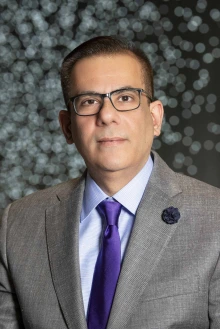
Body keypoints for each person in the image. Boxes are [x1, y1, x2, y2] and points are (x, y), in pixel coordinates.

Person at [0, 36, 220, 329]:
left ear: (155, 118)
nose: (107, 115)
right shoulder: (17, 224)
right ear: (67, 126)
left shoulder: (214, 217)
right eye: (89, 101)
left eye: (126, 98)